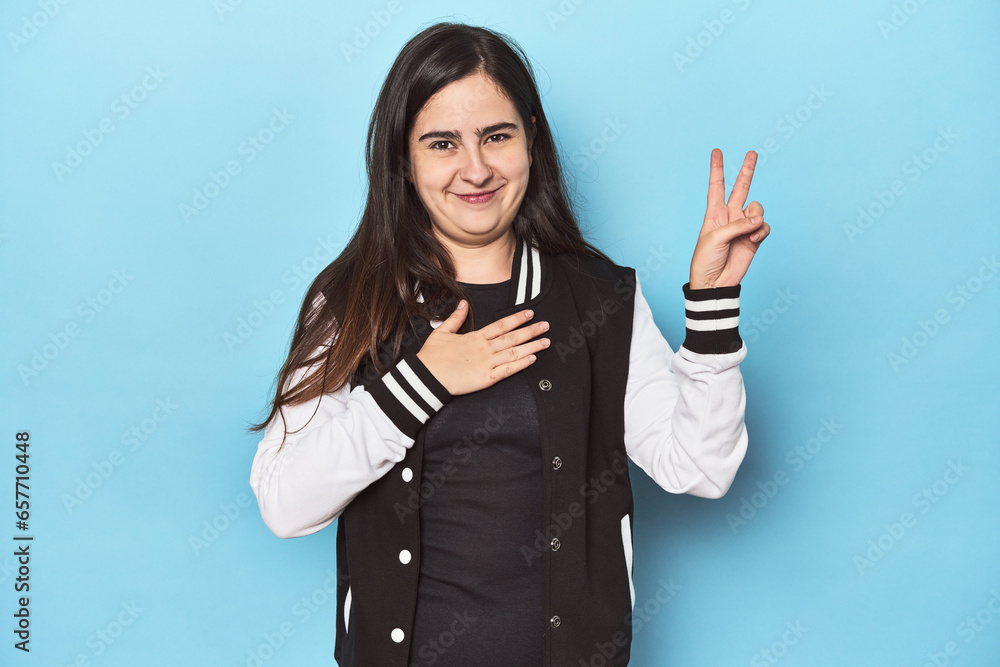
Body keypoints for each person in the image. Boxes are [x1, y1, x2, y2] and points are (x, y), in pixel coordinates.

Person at [248, 21, 770, 667]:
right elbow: (285, 502)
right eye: (442, 143)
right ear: (403, 161)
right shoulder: (353, 298)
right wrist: (421, 382)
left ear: (530, 140)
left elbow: (700, 469)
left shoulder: (600, 298)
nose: (476, 168)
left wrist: (713, 310)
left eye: (497, 136)